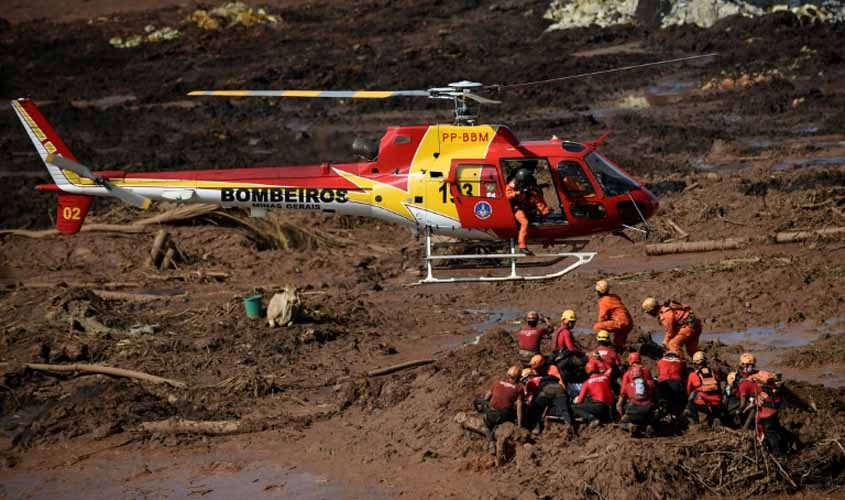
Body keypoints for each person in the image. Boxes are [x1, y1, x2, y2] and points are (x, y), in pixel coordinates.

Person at [480, 366, 524, 455]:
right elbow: (519, 406)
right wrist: (519, 424)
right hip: (505, 415)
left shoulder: (497, 383)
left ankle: (491, 443)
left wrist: (485, 409)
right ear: (519, 378)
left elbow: (486, 397)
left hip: (492, 414)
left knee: (486, 426)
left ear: (507, 375)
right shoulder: (519, 388)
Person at [506, 168, 550, 255]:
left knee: (547, 221)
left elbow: (539, 201)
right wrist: (518, 193)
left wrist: (545, 212)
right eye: (521, 182)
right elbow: (506, 195)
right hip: (516, 209)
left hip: (528, 210)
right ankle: (522, 246)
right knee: (524, 223)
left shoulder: (531, 190)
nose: (522, 184)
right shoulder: (512, 185)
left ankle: (547, 240)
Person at [617, 353, 657, 432]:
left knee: (623, 420)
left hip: (633, 405)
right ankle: (648, 425)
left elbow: (622, 394)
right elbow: (653, 389)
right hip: (648, 405)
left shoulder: (627, 375)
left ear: (630, 361)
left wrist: (620, 408)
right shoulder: (647, 371)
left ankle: (630, 425)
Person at [686, 351, 723, 428]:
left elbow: (688, 390)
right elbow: (719, 388)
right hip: (718, 404)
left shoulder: (693, 375)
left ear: (695, 364)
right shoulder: (714, 373)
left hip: (705, 404)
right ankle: (712, 419)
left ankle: (696, 422)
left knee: (690, 402)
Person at [593, 280, 634, 350]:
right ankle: (632, 348)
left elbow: (601, 317)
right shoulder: (614, 297)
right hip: (629, 322)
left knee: (597, 327)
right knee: (618, 341)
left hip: (620, 322)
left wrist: (603, 333)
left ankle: (607, 345)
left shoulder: (604, 300)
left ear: (598, 292)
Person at [573, 360, 614, 426]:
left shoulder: (587, 383)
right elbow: (610, 369)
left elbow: (580, 400)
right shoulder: (606, 377)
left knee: (574, 407)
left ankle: (591, 418)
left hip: (600, 407)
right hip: (611, 407)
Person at [552, 310, 587, 384]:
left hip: (556, 358)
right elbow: (571, 348)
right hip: (564, 360)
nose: (573, 324)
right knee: (586, 361)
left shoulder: (557, 331)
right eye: (571, 322)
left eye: (573, 322)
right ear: (565, 320)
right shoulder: (566, 332)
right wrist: (583, 353)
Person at [656, 350, 687, 416]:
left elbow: (659, 374)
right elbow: (682, 373)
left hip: (663, 384)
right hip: (676, 384)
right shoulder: (680, 362)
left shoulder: (660, 362)